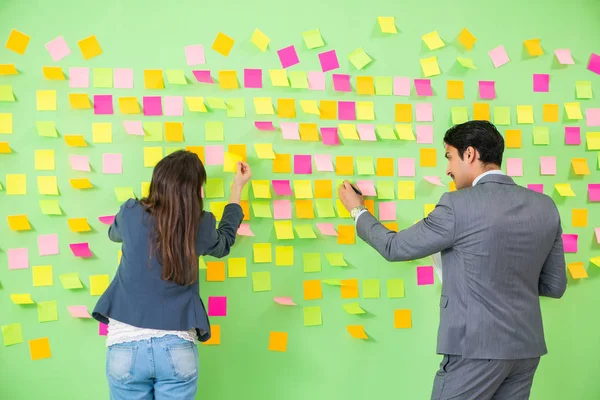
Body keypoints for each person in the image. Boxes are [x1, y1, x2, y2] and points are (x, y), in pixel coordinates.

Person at [338, 120, 567, 400]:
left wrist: (357, 211)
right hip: (525, 350)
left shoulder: (457, 205)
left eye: (449, 157)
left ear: (469, 154)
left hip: (474, 349)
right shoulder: (545, 206)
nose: (447, 168)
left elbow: (394, 247)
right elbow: (554, 285)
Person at [92, 150, 251, 400]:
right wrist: (236, 188)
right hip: (177, 348)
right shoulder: (200, 224)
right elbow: (225, 242)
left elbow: (114, 234)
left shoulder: (131, 212)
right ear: (196, 191)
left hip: (125, 347)